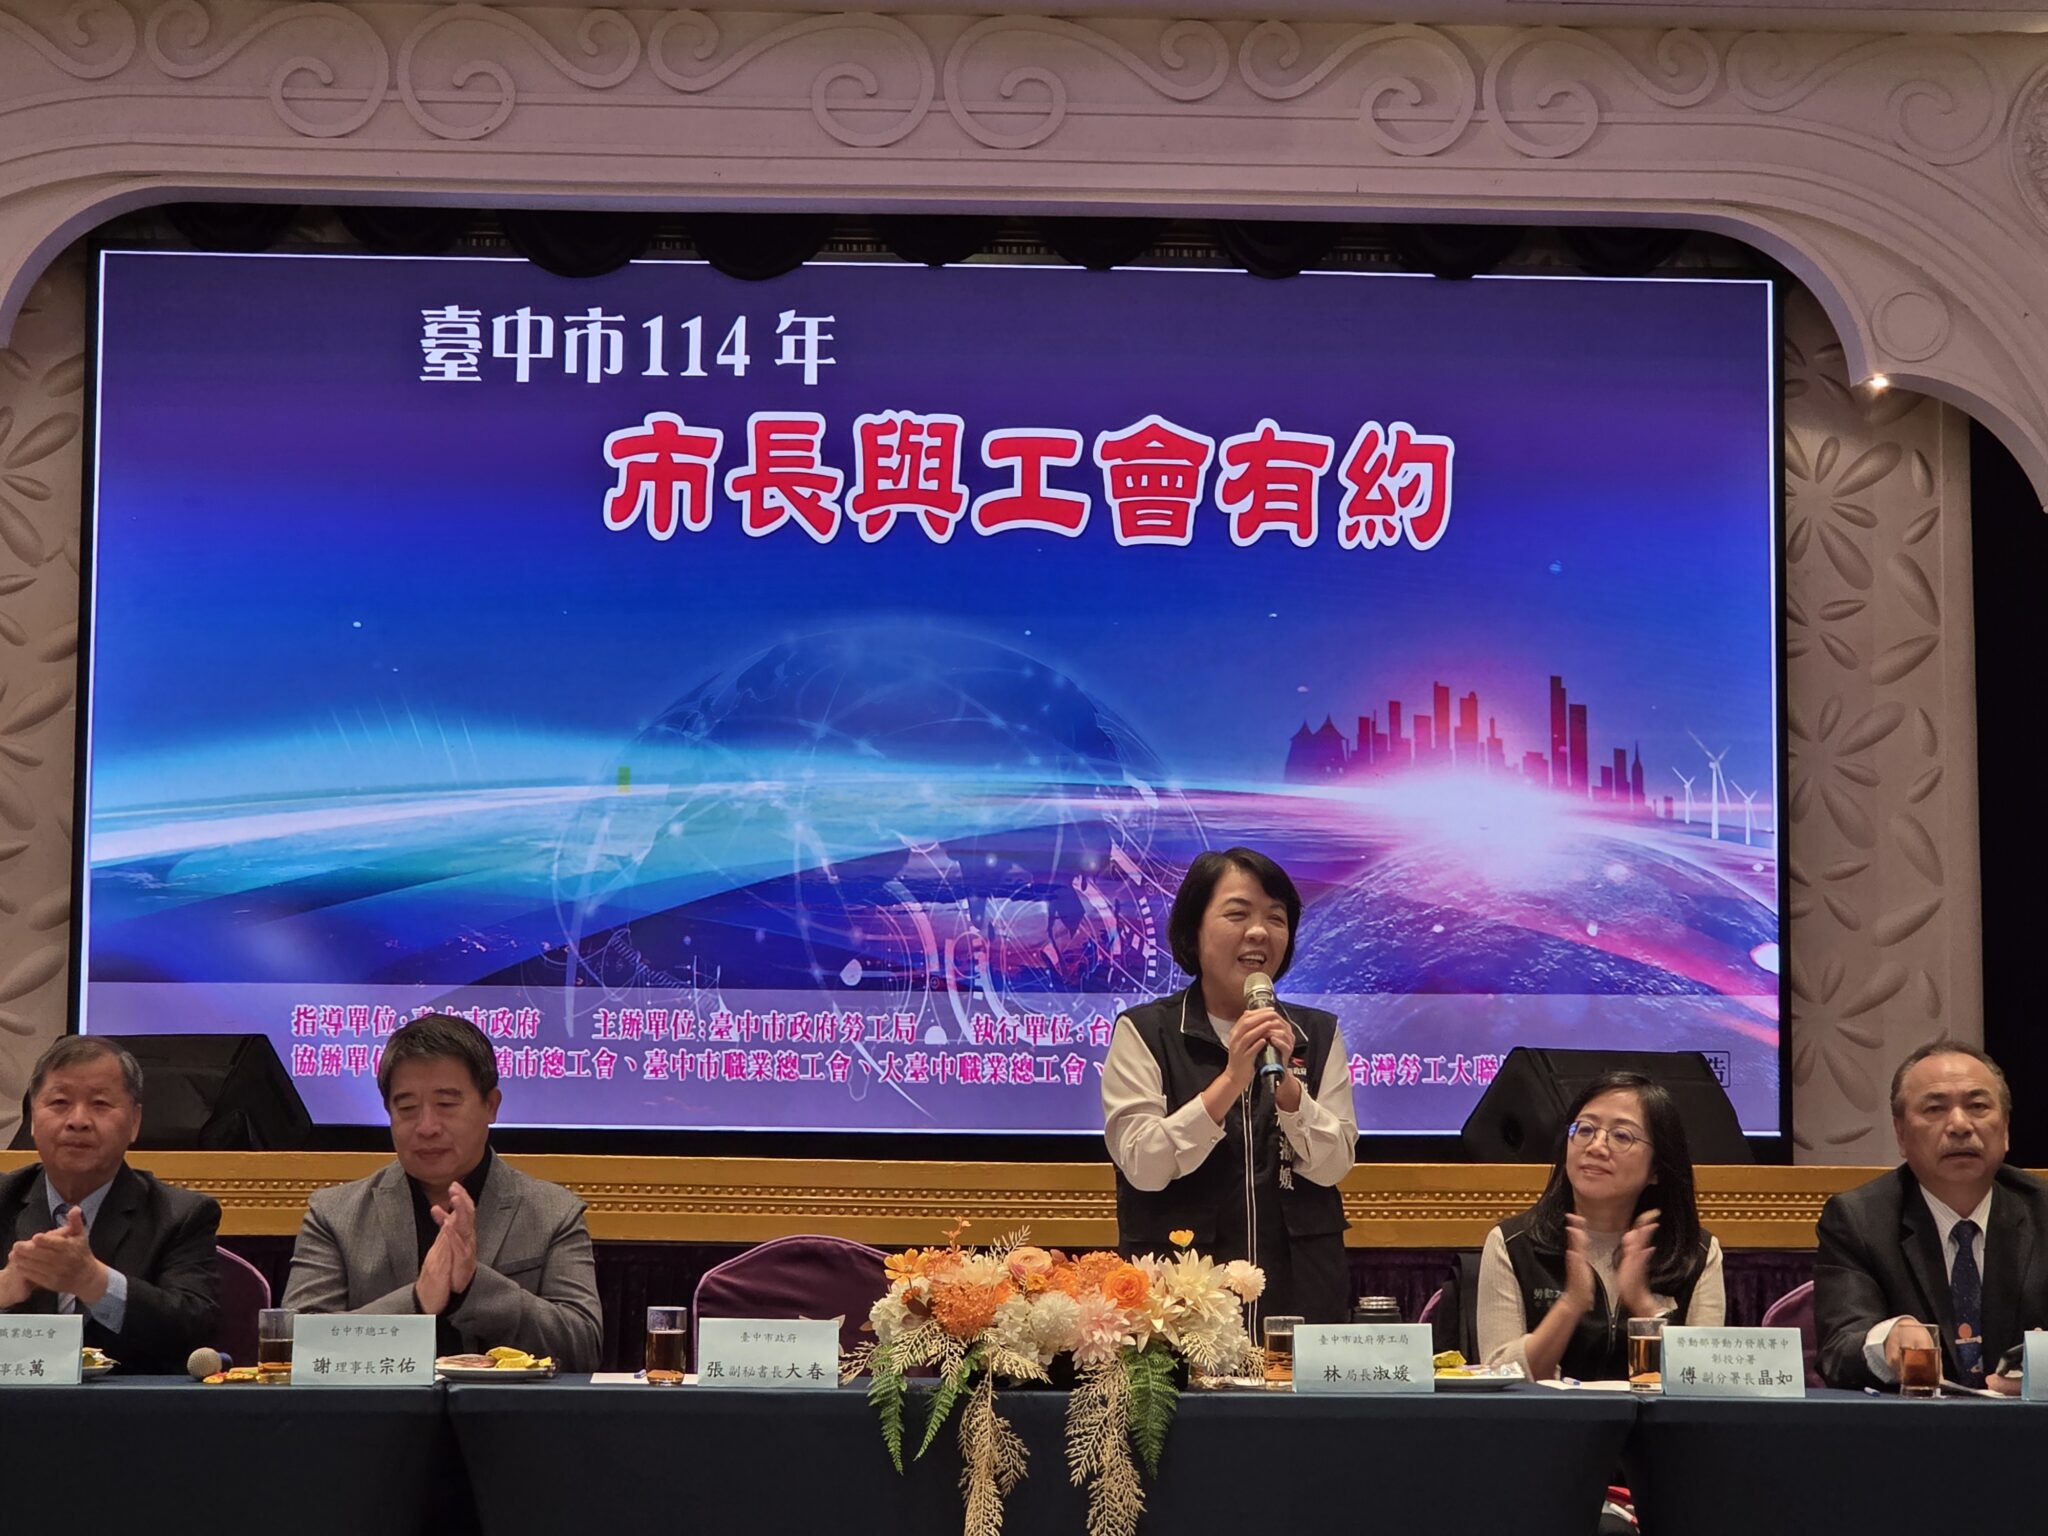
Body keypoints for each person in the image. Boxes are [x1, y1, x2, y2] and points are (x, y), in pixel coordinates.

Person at [1102, 847, 1356, 1323]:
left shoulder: (1316, 1034)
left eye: (1276, 918)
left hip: (1300, 1296)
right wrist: (1231, 1080)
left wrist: (1290, 1094)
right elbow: (1143, 1165)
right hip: (1182, 1308)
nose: (1259, 932)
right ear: (1193, 931)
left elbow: (1335, 1164)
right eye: (1238, 914)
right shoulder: (1146, 1032)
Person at [282, 1013, 602, 1370]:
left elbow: (583, 1346)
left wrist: (474, 1287)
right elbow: (292, 1346)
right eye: (407, 1108)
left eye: (446, 1105)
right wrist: (417, 1302)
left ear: (491, 1106)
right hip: (381, 1407)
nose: (427, 1127)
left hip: (506, 1407)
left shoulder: (553, 1212)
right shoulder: (335, 1215)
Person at [1813, 1039, 2048, 1393]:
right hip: (1914, 1425)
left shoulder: (2042, 1211)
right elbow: (1838, 1349)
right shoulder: (1859, 1220)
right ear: (1901, 1133)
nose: (1959, 1125)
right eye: (1935, 1109)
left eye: (1978, 1106)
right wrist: (1886, 1341)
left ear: (2006, 1128)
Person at [1477, 1070, 1724, 1381]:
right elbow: (1501, 1374)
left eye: (1621, 1136)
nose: (1595, 1146)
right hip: (1546, 1414)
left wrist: (1644, 1304)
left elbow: (1706, 1379)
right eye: (1584, 1130)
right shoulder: (1514, 1244)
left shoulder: (1695, 1253)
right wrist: (1571, 1304)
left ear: (1657, 1168)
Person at [0, 1036, 221, 1372]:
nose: (78, 1120)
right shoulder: (4, 1198)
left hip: (128, 1403)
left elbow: (195, 1332)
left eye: (100, 1104)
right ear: (32, 1118)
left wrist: (96, 1282)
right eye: (59, 1102)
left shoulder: (181, 1215)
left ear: (134, 1122)